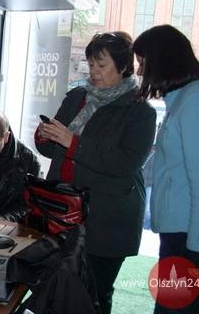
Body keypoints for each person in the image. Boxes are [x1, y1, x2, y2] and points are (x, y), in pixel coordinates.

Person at [35, 32, 156, 314]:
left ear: (123, 66)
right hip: (62, 210)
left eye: (101, 65)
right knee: (55, 287)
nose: (94, 72)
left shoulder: (140, 111)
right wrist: (45, 136)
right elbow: (54, 150)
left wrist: (72, 142)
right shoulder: (77, 97)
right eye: (91, 64)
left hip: (107, 219)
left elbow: (125, 163)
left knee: (94, 294)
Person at [133, 24, 199, 313]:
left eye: (143, 62)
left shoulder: (197, 102)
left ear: (162, 60)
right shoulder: (187, 99)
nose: (140, 71)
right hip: (185, 234)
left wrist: (197, 252)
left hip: (193, 238)